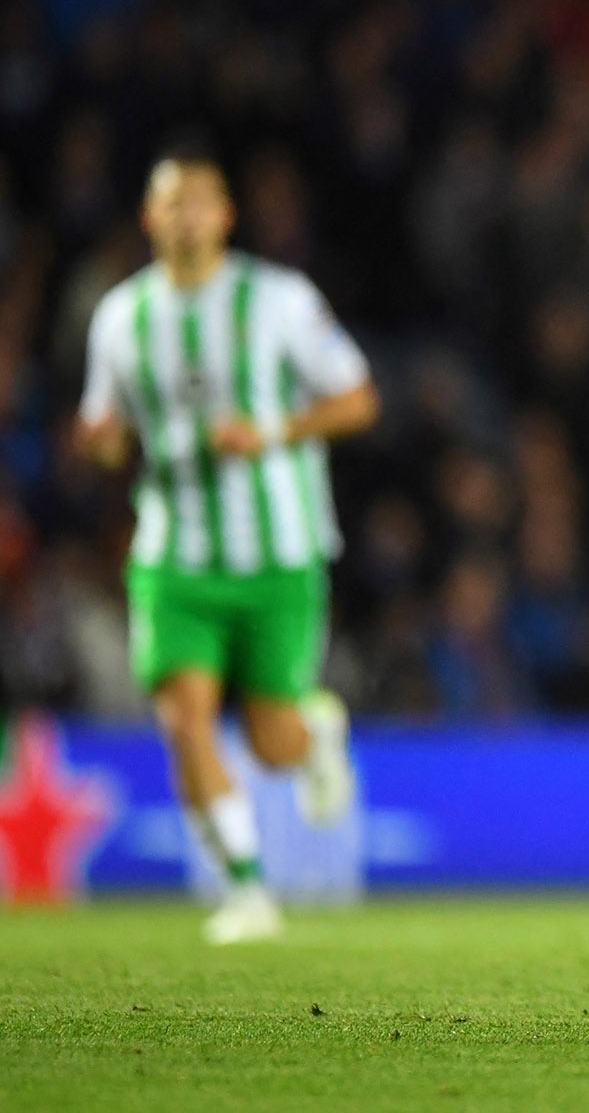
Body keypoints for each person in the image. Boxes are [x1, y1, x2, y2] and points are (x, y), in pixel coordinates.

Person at [75, 153, 378, 944]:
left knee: (273, 745)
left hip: (278, 553)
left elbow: (357, 398)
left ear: (226, 216)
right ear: (149, 219)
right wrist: (104, 448)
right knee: (186, 720)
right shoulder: (119, 317)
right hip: (173, 556)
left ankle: (315, 734)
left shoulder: (278, 300)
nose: (186, 217)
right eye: (171, 203)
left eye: (201, 202)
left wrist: (273, 432)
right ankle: (247, 891)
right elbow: (108, 437)